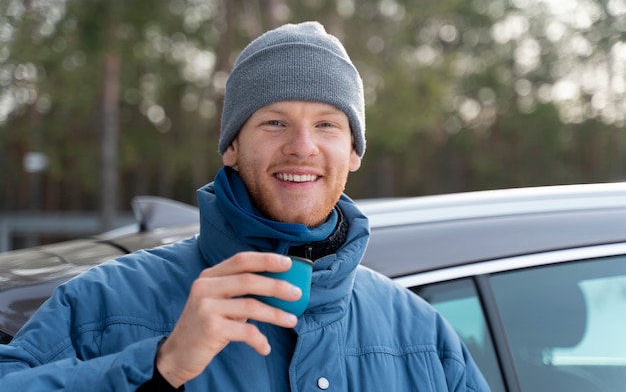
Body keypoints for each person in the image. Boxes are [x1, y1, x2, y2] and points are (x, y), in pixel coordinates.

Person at [0, 21, 490, 392]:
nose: (302, 147)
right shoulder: (105, 305)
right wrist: (160, 366)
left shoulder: (423, 338)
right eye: (274, 123)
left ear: (355, 152)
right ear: (232, 146)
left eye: (326, 125)